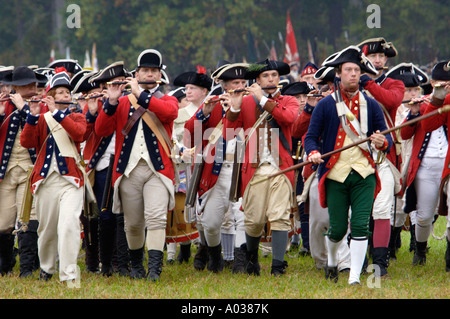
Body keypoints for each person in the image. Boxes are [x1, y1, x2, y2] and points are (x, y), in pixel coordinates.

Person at [304, 46, 392, 285]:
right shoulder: (325, 105)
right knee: (338, 229)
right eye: (348, 70)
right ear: (339, 74)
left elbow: (388, 138)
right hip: (335, 174)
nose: (353, 74)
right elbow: (311, 136)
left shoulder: (371, 105)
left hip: (364, 174)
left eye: (356, 70)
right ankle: (332, 261)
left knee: (362, 225)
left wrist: (383, 141)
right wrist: (312, 152)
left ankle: (354, 277)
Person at [95, 49, 178, 282]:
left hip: (157, 170)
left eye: (153, 71)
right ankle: (136, 266)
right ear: (137, 72)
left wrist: (141, 94)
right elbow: (101, 130)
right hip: (128, 170)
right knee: (133, 224)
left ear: (159, 75)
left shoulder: (167, 99)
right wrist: (111, 100)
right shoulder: (121, 102)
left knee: (156, 219)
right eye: (145, 71)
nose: (149, 74)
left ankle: (154, 269)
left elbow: (168, 113)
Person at [223, 59, 299, 276]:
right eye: (266, 76)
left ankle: (277, 265)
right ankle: (252, 259)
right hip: (254, 169)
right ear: (257, 80)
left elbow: (288, 117)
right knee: (254, 220)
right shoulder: (247, 102)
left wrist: (262, 98)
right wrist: (235, 106)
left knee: (279, 216)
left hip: (281, 168)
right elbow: (228, 133)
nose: (271, 79)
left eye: (274, 75)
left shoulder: (289, 100)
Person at [20, 70, 87, 283]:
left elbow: (78, 134)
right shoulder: (40, 120)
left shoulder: (77, 116)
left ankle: (68, 273)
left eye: (67, 92)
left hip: (72, 181)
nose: (65, 95)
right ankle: (47, 268)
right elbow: (27, 142)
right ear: (50, 96)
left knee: (69, 224)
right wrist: (32, 114)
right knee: (47, 229)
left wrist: (57, 113)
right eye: (60, 92)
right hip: (46, 180)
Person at [184, 62, 248, 273]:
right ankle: (214, 254)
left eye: (242, 82)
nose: (239, 86)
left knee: (243, 217)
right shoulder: (214, 105)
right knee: (211, 223)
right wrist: (203, 114)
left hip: (245, 168)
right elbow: (189, 136)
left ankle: (241, 260)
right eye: (234, 83)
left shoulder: (252, 105)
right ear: (225, 86)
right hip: (217, 171)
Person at [357, 38, 405, 276]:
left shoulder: (394, 83)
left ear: (386, 59)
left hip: (382, 153)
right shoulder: (351, 83)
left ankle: (380, 263)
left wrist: (368, 82)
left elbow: (391, 101)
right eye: (372, 56)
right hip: (354, 152)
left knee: (382, 208)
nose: (377, 60)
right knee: (359, 211)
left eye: (381, 56)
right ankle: (359, 257)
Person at [0, 66, 47, 277]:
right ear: (15, 88)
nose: (31, 90)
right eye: (25, 86)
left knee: (28, 219)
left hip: (30, 170)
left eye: (33, 85)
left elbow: (41, 131)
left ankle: (27, 268)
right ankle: (6, 264)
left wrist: (24, 109)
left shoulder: (42, 106)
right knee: (3, 223)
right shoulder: (4, 106)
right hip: (6, 172)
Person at [385, 63, 429, 260]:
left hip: (418, 160)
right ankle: (392, 242)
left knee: (418, 203)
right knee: (398, 204)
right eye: (407, 90)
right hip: (399, 160)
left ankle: (416, 243)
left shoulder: (425, 108)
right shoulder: (395, 111)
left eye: (415, 90)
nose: (412, 94)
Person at [417, 61, 450, 270]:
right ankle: (420, 248)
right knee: (425, 215)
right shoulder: (439, 101)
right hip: (429, 165)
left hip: (445, 164)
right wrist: (437, 98)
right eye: (443, 84)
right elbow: (428, 125)